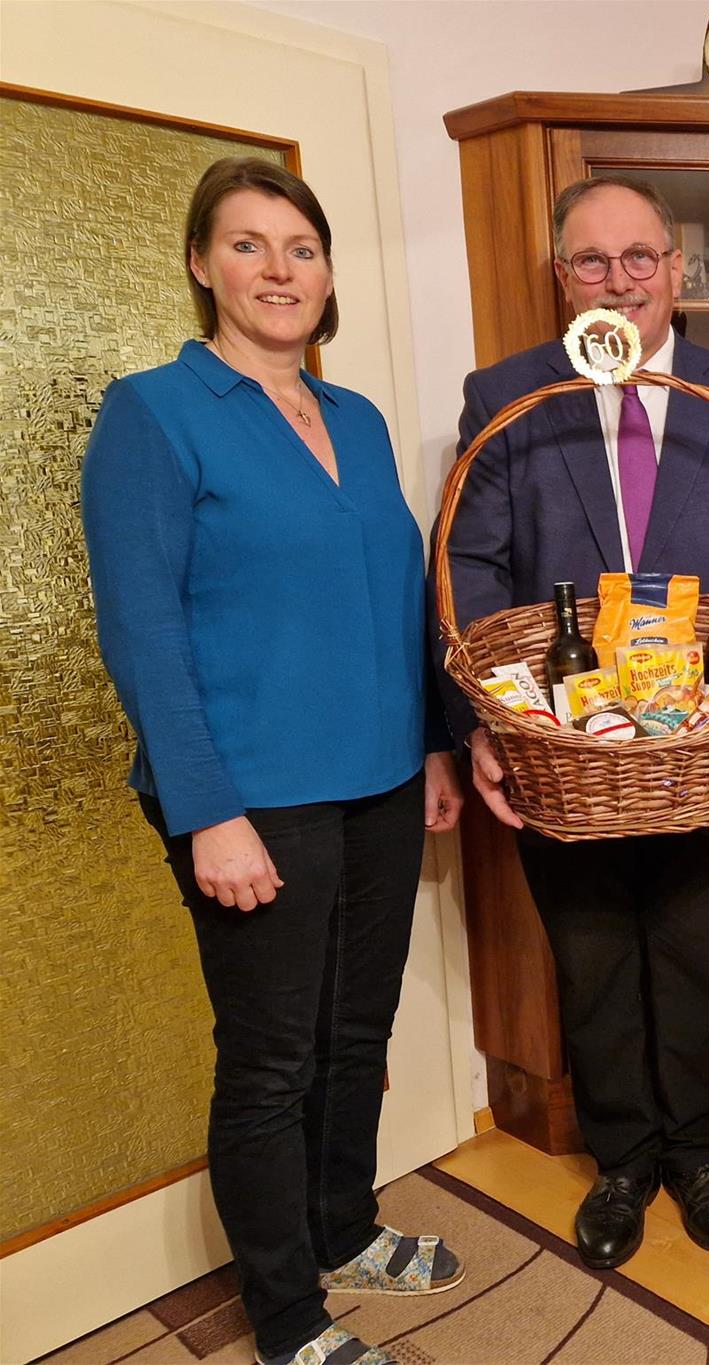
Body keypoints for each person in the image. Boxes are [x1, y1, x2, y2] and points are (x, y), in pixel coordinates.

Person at [82, 158, 465, 1365]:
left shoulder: (350, 416)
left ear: (328, 274)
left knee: (358, 1033)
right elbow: (140, 627)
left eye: (300, 247)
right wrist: (208, 813)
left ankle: (344, 1229)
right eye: (248, 245)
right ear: (202, 265)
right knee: (267, 1062)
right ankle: (288, 1315)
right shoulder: (155, 412)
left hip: (382, 781)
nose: (278, 269)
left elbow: (392, 597)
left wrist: (438, 747)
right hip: (255, 800)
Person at [442, 175, 709, 1272]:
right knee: (592, 952)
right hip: (562, 749)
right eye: (591, 262)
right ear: (562, 276)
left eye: (639, 258)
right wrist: (481, 723)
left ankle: (698, 1153)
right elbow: (471, 566)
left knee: (695, 949)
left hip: (703, 746)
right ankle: (620, 1159)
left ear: (676, 270)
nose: (619, 281)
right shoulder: (505, 396)